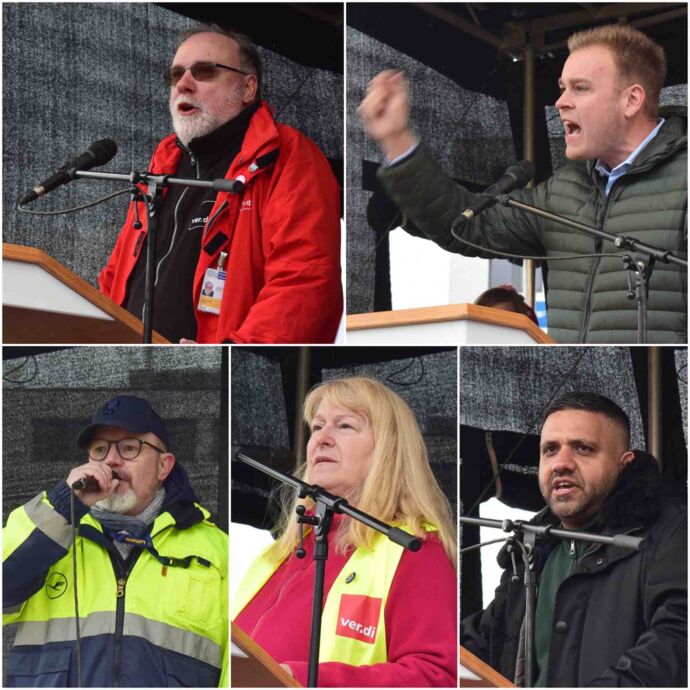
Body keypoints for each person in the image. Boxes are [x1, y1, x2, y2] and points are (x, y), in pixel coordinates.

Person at [359, 24, 687, 344]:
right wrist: (396, 140)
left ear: (631, 101)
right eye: (561, 87)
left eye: (581, 88)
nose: (560, 102)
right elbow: (466, 225)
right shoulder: (565, 188)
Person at [100, 25, 342, 344]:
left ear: (247, 88)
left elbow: (305, 281)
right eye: (175, 76)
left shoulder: (289, 156)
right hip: (132, 362)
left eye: (204, 72)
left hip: (214, 370)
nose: (183, 85)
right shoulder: (161, 165)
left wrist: (226, 354)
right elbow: (115, 276)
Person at [232, 377, 457, 687]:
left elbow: (435, 678)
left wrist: (304, 680)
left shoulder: (414, 549)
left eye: (344, 426)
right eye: (318, 426)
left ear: (388, 449)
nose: (321, 439)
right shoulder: (279, 552)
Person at [460, 392, 687, 686]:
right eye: (550, 450)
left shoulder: (673, 530)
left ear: (625, 463)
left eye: (583, 448)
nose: (561, 463)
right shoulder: (529, 546)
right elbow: (487, 638)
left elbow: (677, 642)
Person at [3, 395, 228, 687]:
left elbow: (236, 666)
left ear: (164, 466)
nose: (111, 460)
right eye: (99, 449)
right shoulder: (52, 528)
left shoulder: (218, 550)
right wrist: (63, 505)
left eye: (129, 447)